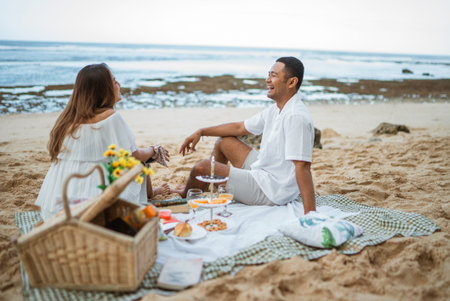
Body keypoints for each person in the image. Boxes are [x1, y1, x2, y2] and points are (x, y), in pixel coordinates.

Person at [178, 57, 316, 214]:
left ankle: (184, 195)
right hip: (265, 171)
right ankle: (216, 188)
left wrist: (310, 213)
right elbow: (239, 127)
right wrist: (201, 131)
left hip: (273, 191)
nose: (267, 80)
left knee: (202, 167)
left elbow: (303, 167)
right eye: (268, 74)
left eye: (274, 75)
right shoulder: (276, 109)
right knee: (225, 142)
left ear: (291, 82)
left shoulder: (295, 116)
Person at [36, 63, 172, 220]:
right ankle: (150, 194)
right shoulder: (111, 117)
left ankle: (151, 192)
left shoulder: (66, 121)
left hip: (56, 205)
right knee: (139, 164)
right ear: (103, 90)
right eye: (114, 81)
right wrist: (153, 150)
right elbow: (134, 155)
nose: (118, 85)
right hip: (93, 208)